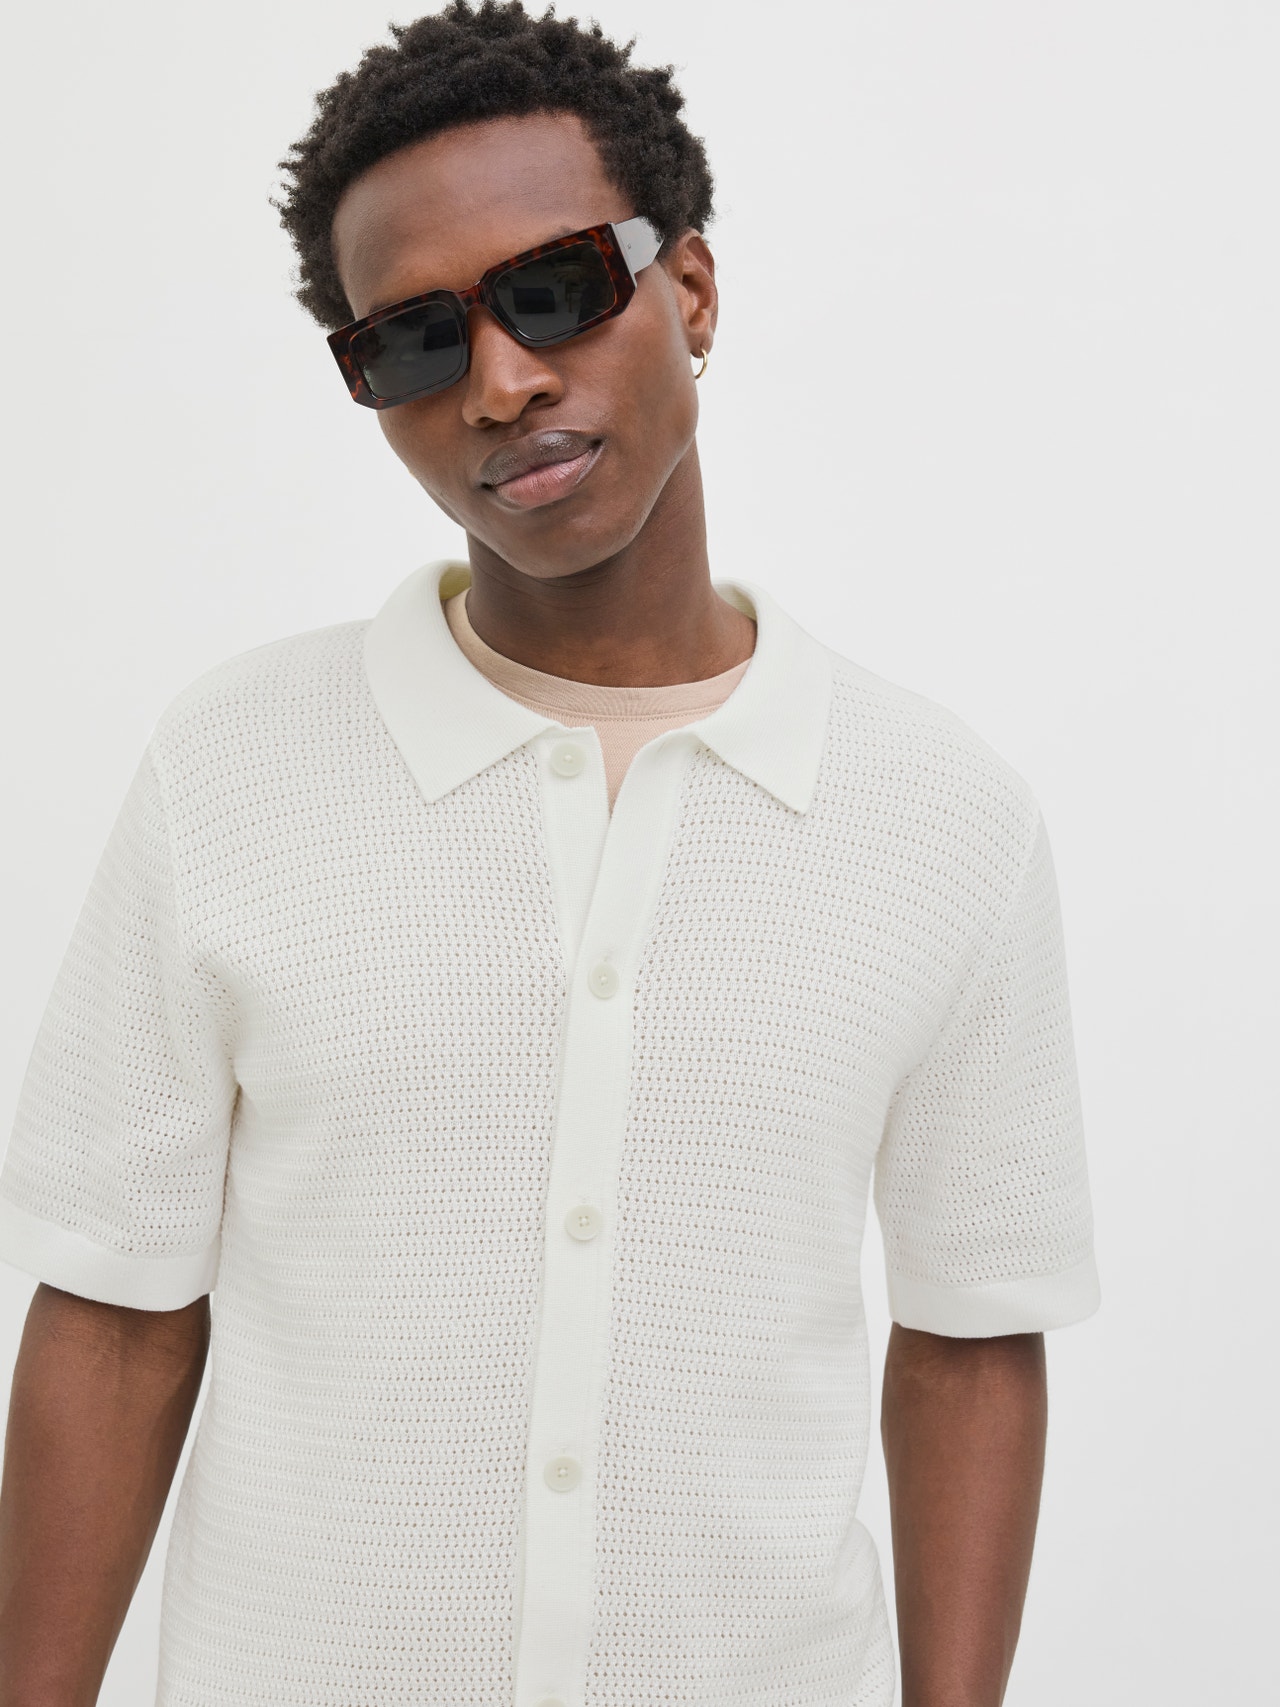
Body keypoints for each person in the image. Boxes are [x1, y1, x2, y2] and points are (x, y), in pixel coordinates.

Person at [0, 4, 1100, 1704]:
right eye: (414, 341)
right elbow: (118, 1316)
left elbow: (968, 1345)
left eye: (557, 290)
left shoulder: (939, 818)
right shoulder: (231, 771)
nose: (502, 383)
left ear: (694, 291)